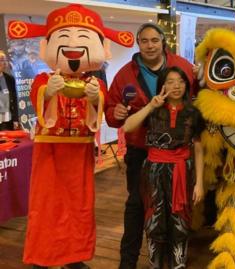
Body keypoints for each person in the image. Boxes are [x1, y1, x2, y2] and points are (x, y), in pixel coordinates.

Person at [7, 4, 135, 269]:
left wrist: (95, 99)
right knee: (46, 205)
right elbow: (38, 103)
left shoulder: (95, 83)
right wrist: (49, 93)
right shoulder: (43, 79)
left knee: (79, 207)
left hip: (79, 153)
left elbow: (97, 113)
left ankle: (73, 256)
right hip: (49, 154)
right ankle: (42, 257)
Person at [105, 22, 194, 269]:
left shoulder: (183, 67)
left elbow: (196, 100)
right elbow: (111, 115)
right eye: (144, 41)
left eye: (154, 40)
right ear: (138, 43)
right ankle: (128, 260)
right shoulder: (125, 74)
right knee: (136, 206)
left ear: (163, 41)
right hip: (141, 152)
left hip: (177, 155)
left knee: (174, 208)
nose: (150, 45)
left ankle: (169, 258)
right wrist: (117, 112)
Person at [122, 67, 204, 269]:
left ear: (186, 85)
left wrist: (199, 183)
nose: (176, 86)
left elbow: (200, 149)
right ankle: (155, 263)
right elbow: (128, 126)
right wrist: (150, 106)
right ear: (162, 86)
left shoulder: (194, 112)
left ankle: (178, 263)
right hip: (153, 171)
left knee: (181, 219)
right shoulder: (154, 109)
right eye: (170, 81)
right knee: (154, 217)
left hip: (182, 171)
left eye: (181, 81)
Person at [0, 50, 19, 130]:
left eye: (5, 60)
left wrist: (15, 119)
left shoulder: (10, 79)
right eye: (1, 60)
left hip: (7, 119)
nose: (4, 63)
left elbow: (14, 100)